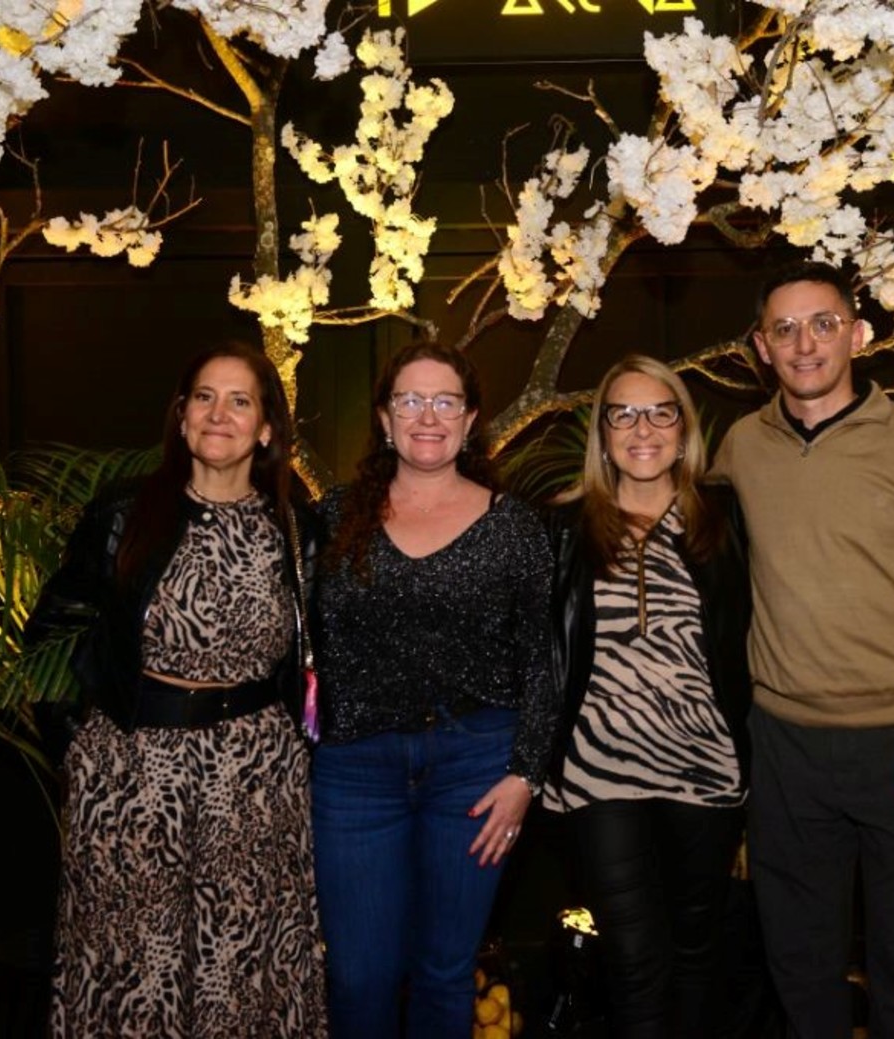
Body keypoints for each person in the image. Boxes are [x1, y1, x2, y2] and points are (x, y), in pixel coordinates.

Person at [712, 261, 894, 1039]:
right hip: (783, 747)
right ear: (760, 348)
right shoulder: (740, 447)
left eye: (824, 323)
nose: (805, 344)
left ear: (858, 334)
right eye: (784, 329)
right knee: (799, 962)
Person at [28, 342, 327, 1038]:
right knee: (137, 966)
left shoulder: (295, 526)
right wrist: (76, 749)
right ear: (182, 415)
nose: (217, 413)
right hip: (133, 777)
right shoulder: (124, 512)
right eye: (203, 396)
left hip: (256, 782)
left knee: (244, 961)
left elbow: (323, 652)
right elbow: (52, 631)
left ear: (266, 429)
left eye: (239, 400)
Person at [309, 340, 557, 1039]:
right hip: (353, 773)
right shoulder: (331, 517)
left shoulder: (515, 524)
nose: (427, 415)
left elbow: (543, 658)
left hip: (476, 771)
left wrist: (524, 775)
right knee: (359, 974)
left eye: (444, 400)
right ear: (384, 420)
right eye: (409, 400)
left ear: (469, 419)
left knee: (446, 970)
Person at [542, 354, 752, 1039]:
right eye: (622, 413)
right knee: (633, 959)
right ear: (602, 433)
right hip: (599, 774)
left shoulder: (724, 521)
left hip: (704, 769)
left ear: (682, 428)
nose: (642, 428)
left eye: (659, 411)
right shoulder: (563, 528)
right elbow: (540, 655)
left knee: (696, 952)